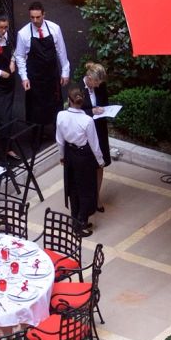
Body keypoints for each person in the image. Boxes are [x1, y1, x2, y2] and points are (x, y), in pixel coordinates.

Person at [55, 85, 106, 235]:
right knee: (86, 189)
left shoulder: (61, 115)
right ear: (81, 101)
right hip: (84, 157)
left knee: (73, 188)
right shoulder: (87, 120)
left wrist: (62, 156)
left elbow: (59, 140)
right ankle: (82, 222)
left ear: (69, 101)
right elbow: (94, 144)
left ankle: (75, 220)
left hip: (69, 154)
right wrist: (100, 161)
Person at [17, 0, 69, 140]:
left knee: (55, 105)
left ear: (44, 14)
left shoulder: (54, 29)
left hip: (52, 75)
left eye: (38, 17)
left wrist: (65, 71)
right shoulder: (23, 34)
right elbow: (20, 57)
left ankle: (57, 134)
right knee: (36, 108)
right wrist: (24, 77)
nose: (35, 20)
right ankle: (36, 136)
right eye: (32, 17)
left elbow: (61, 51)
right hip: (35, 77)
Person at [83, 62, 113, 203]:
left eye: (99, 83)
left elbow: (105, 102)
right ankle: (88, 197)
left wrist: (103, 109)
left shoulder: (100, 86)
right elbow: (74, 112)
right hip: (86, 133)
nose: (97, 86)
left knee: (100, 165)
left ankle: (96, 196)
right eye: (95, 82)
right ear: (89, 77)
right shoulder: (77, 89)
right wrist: (91, 111)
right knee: (88, 166)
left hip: (99, 129)